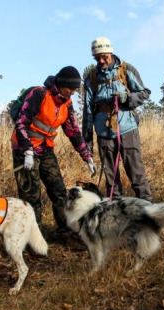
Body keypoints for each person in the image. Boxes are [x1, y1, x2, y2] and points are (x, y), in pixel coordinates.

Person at [11, 66, 97, 235]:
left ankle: (66, 231)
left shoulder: (67, 103)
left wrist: (87, 157)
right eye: (70, 89)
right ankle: (32, 238)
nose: (72, 93)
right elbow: (21, 123)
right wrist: (28, 151)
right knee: (31, 196)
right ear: (61, 84)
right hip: (24, 151)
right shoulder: (38, 95)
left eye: (74, 90)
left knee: (58, 191)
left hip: (46, 150)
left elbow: (73, 131)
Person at [83, 37, 153, 201]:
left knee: (136, 171)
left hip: (127, 128)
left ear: (111, 52)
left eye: (104, 56)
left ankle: (148, 209)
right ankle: (116, 213)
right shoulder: (91, 77)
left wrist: (127, 98)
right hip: (103, 133)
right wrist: (87, 142)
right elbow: (87, 112)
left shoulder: (127, 69)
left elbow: (144, 93)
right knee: (111, 178)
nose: (101, 60)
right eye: (97, 58)